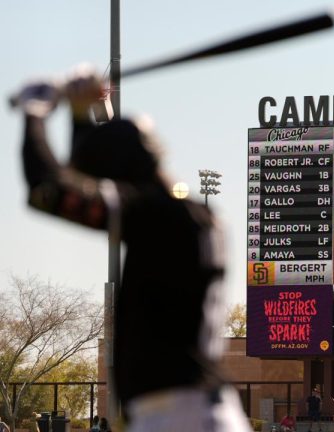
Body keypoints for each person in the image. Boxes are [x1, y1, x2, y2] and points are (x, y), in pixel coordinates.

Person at [15, 66, 251, 432]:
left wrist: (36, 112)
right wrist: (85, 112)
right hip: (190, 409)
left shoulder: (162, 217)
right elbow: (99, 175)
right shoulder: (185, 213)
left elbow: (48, 189)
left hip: (179, 415)